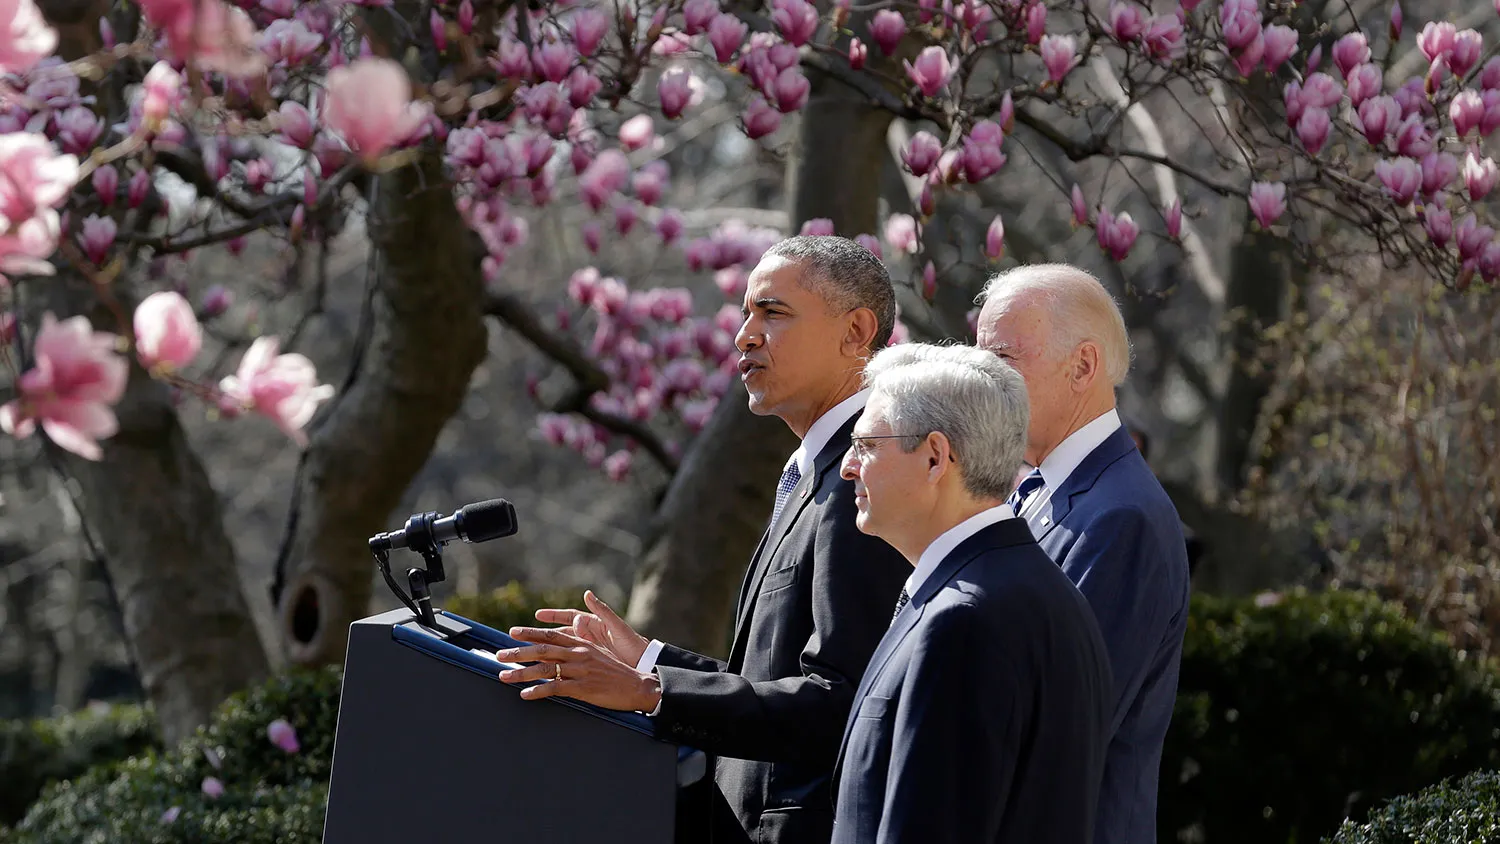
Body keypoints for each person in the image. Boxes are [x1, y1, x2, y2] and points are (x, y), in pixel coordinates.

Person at [492, 235, 911, 844]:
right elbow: (773, 677)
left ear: (855, 332)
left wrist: (651, 691)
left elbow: (844, 702)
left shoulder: (861, 480)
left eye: (773, 312)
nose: (744, 334)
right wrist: (649, 660)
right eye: (745, 312)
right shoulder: (813, 473)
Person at [830, 342, 1112, 844]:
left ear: (936, 457)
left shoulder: (966, 618)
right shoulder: (1029, 591)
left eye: (867, 445)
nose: (849, 467)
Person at [975, 263, 1192, 844]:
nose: (982, 382)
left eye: (1003, 359)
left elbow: (1061, 730)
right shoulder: (1040, 487)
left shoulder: (1123, 516)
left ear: (1084, 366)